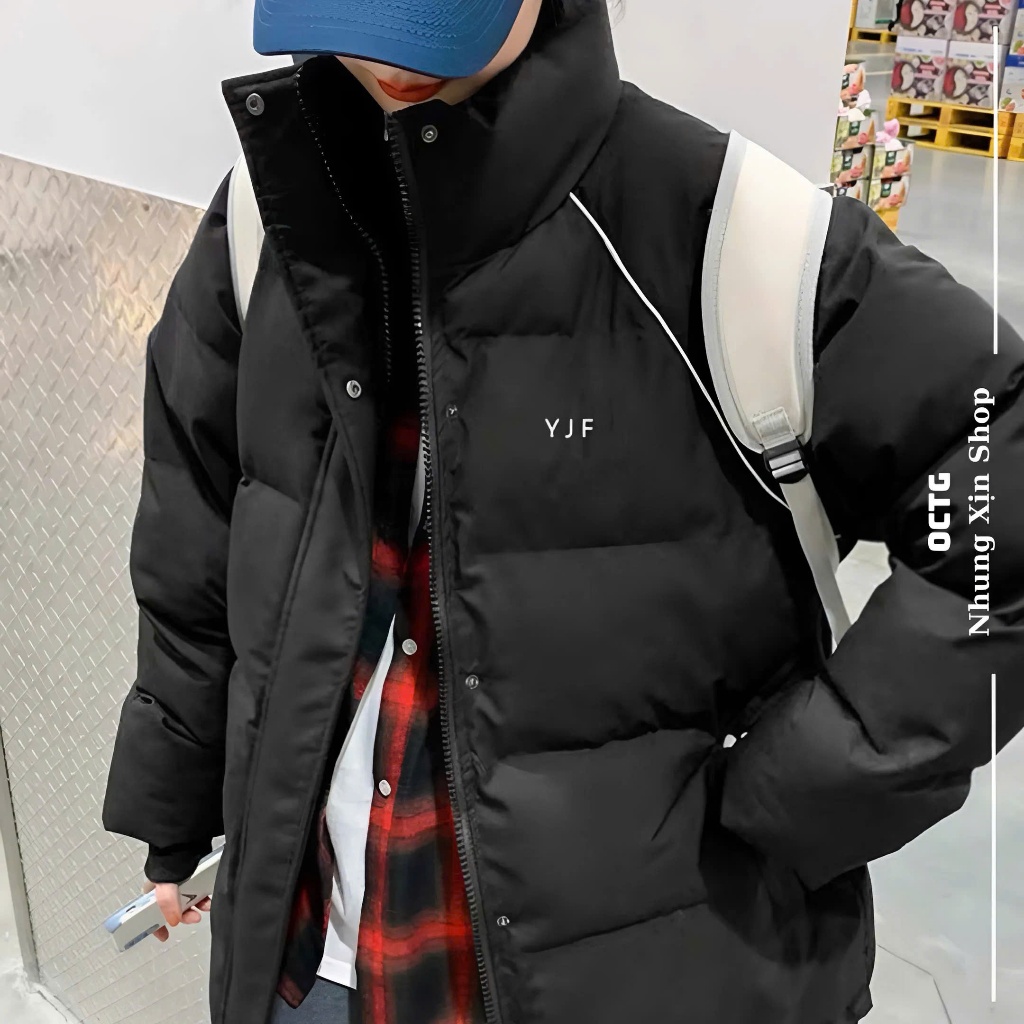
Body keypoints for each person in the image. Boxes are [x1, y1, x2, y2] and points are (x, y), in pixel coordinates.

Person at [102, 1, 1024, 1022]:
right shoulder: (268, 218)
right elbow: (194, 540)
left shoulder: (729, 234)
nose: (383, 57)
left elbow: (1003, 484)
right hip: (308, 956)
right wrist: (176, 812)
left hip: (657, 976)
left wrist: (807, 793)